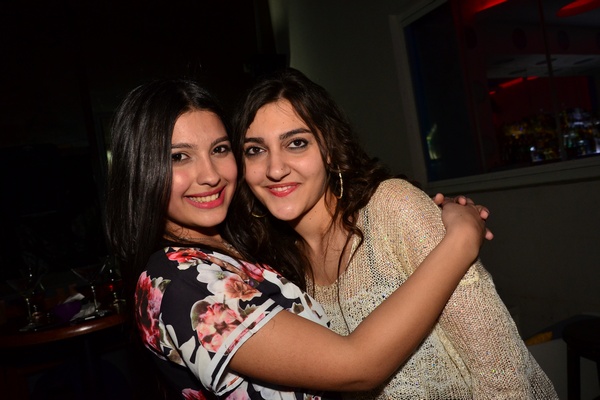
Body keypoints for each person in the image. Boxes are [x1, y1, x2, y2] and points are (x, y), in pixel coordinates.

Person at [105, 78, 489, 399]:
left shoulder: (243, 245)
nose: (210, 175)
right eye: (179, 157)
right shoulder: (177, 283)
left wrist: (424, 222)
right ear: (142, 169)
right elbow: (357, 366)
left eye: (219, 149)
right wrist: (460, 241)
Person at [228, 68, 558, 399]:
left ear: (328, 148)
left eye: (296, 143)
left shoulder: (392, 208)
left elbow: (502, 369)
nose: (275, 169)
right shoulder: (272, 266)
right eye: (255, 150)